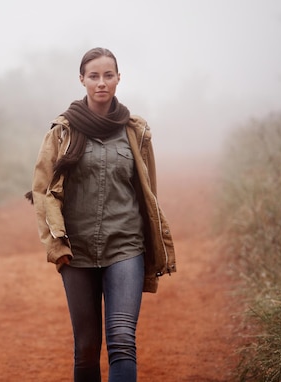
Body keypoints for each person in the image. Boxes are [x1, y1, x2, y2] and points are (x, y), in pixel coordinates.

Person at [28, 47, 176, 382]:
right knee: (86, 348)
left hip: (125, 246)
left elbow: (147, 192)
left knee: (122, 340)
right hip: (76, 251)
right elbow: (43, 191)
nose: (101, 83)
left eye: (108, 75)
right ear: (82, 80)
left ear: (118, 79)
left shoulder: (135, 132)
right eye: (93, 76)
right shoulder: (63, 132)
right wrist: (56, 245)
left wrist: (153, 246)